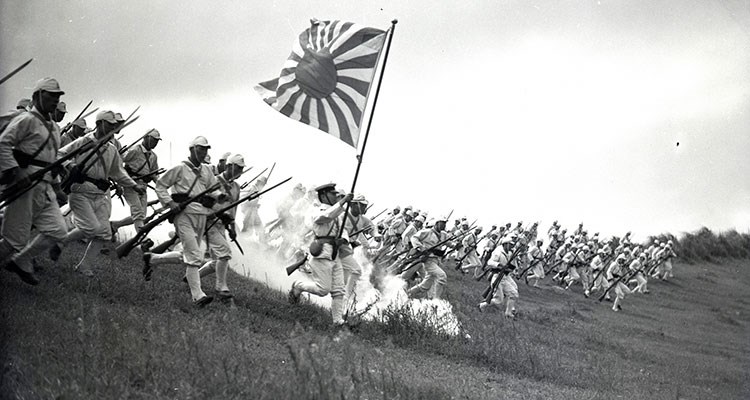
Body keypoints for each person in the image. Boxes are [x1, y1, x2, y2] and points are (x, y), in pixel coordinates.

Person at [56, 110, 144, 276]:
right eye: (109, 124)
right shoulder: (84, 141)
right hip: (81, 190)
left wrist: (134, 185)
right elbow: (60, 154)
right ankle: (61, 242)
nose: (112, 128)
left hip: (100, 193)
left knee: (104, 233)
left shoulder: (111, 149)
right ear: (99, 124)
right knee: (91, 227)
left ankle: (84, 266)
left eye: (113, 125)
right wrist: (69, 166)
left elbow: (118, 172)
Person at [0, 78, 69, 285]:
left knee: (59, 230)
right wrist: (15, 171)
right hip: (25, 185)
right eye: (51, 95)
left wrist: (57, 184)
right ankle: (17, 258)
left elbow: (51, 159)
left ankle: (21, 261)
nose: (55, 100)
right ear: (38, 95)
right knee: (14, 240)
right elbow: (3, 144)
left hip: (45, 186)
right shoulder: (26, 119)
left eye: (58, 96)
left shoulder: (54, 128)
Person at [143, 136, 219, 307]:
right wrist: (170, 203)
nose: (204, 152)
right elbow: (160, 185)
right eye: (201, 148)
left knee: (189, 254)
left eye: (206, 149)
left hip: (201, 216)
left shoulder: (207, 171)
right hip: (183, 215)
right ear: (192, 149)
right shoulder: (179, 168)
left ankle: (152, 259)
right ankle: (198, 296)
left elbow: (214, 190)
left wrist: (217, 198)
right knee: (194, 256)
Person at [288, 183, 352, 326]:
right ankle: (298, 286)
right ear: (323, 196)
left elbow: (343, 230)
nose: (336, 196)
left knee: (339, 290)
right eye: (332, 194)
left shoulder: (337, 213)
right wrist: (342, 202)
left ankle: (337, 321)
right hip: (322, 253)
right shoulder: (317, 210)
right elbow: (324, 218)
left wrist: (344, 240)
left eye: (337, 195)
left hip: (334, 254)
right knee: (323, 289)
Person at [196, 154, 256, 303]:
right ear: (229, 166)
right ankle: (221, 288)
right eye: (238, 168)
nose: (241, 171)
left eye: (242, 168)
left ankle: (192, 276)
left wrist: (232, 226)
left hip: (221, 225)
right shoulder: (214, 181)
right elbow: (204, 202)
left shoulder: (236, 187)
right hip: (208, 222)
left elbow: (233, 209)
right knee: (225, 253)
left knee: (218, 259)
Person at [110, 128, 162, 236]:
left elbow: (154, 173)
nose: (155, 143)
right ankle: (142, 239)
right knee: (138, 213)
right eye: (154, 140)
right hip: (130, 184)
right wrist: (119, 182)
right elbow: (119, 162)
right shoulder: (135, 150)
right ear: (146, 138)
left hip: (143, 186)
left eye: (157, 141)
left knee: (141, 215)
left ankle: (115, 225)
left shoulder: (153, 156)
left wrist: (161, 184)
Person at [406, 215, 449, 299]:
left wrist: (456, 245)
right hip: (428, 259)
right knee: (442, 276)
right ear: (437, 223)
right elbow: (414, 238)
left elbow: (448, 242)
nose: (444, 225)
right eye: (442, 223)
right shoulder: (427, 232)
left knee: (425, 285)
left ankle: (407, 293)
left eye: (445, 224)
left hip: (437, 260)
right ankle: (435, 301)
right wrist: (421, 248)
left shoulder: (443, 234)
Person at [479, 237, 519, 317]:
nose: (512, 246)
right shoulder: (498, 252)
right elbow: (490, 262)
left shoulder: (510, 253)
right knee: (498, 300)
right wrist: (499, 265)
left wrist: (511, 269)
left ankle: (508, 313)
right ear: (505, 244)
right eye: (510, 245)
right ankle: (482, 305)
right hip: (497, 277)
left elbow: (512, 265)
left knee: (514, 294)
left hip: (505, 277)